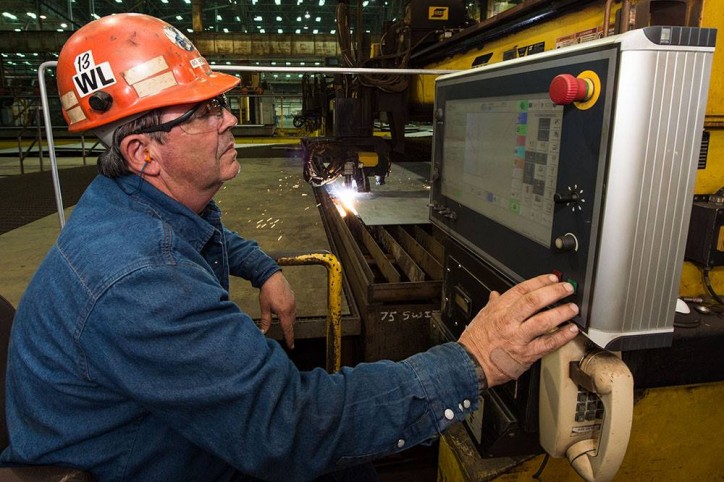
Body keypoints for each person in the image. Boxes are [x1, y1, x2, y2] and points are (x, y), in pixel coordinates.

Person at [0, 13, 580, 482]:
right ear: (143, 154)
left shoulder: (131, 208)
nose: (230, 120)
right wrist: (475, 360)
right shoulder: (139, 280)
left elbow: (203, 235)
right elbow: (290, 428)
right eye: (206, 111)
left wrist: (261, 269)